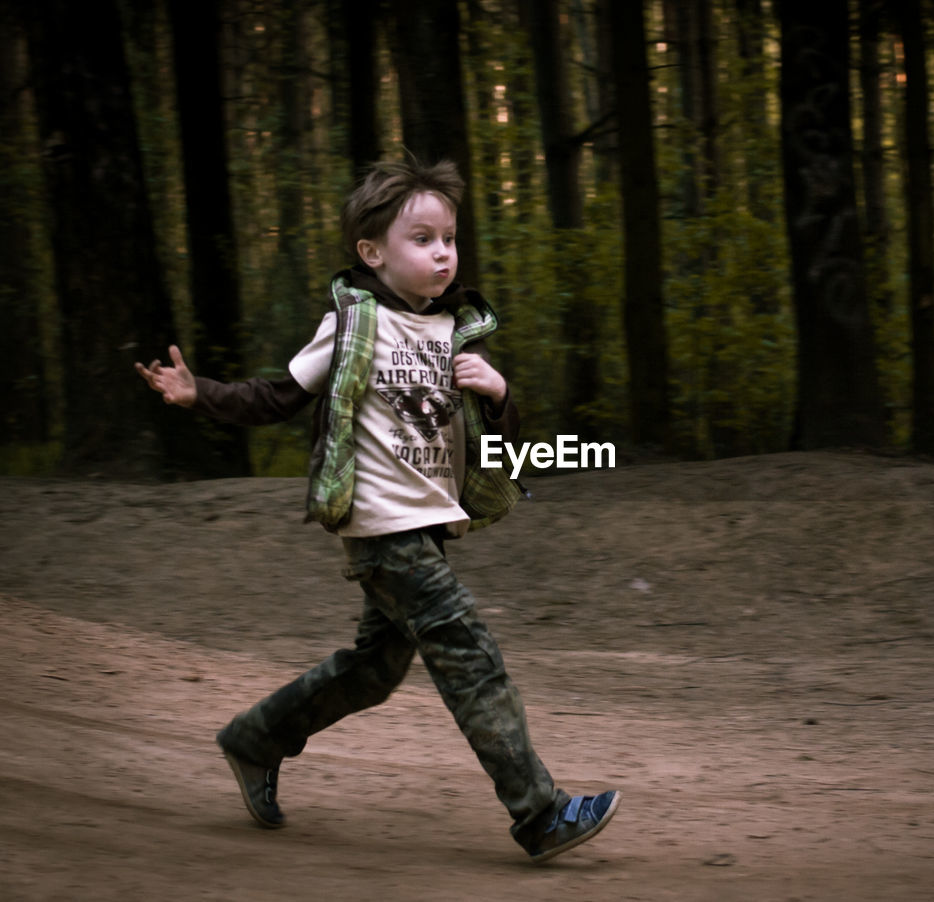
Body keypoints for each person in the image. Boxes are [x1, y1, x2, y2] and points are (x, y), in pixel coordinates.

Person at [134, 157, 619, 863]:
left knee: (375, 669)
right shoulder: (353, 324)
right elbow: (277, 397)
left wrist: (499, 391)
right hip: (380, 529)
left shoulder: (456, 329)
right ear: (372, 251)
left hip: (428, 528)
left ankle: (255, 738)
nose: (443, 252)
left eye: (449, 237)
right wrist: (197, 393)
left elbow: (504, 446)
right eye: (422, 238)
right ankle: (539, 814)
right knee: (468, 652)